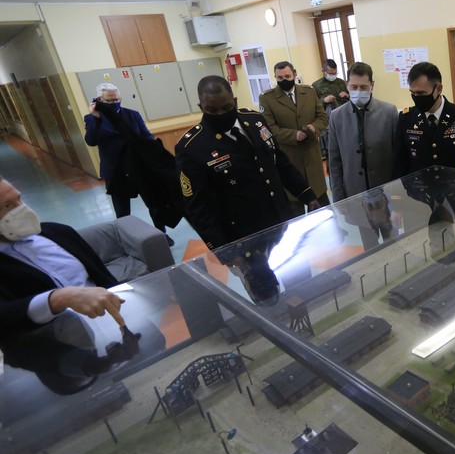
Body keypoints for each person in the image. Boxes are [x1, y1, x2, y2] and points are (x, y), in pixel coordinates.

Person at [175, 76, 320, 253]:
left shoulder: (255, 120)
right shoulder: (192, 147)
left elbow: (280, 163)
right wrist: (225, 252)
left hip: (282, 220)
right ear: (201, 107)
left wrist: (307, 195)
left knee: (300, 267)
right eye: (212, 110)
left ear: (235, 102)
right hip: (244, 239)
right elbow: (199, 209)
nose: (221, 114)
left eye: (227, 108)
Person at [0, 176, 126, 342]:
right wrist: (58, 298)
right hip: (52, 347)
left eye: (19, 199)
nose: (21, 209)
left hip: (115, 323)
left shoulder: (59, 232)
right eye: (7, 206)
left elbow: (105, 278)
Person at [83, 83, 175, 243]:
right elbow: (91, 141)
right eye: (109, 101)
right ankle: (126, 239)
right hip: (116, 169)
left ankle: (162, 234)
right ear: (98, 100)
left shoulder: (132, 115)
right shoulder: (92, 118)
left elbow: (147, 136)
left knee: (155, 204)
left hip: (139, 166)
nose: (114, 103)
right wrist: (97, 118)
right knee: (122, 210)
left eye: (117, 99)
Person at [327, 61, 401, 249]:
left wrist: (399, 195)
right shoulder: (337, 116)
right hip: (355, 195)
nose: (358, 91)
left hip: (386, 194)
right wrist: (339, 197)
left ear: (372, 85)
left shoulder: (389, 112)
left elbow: (399, 157)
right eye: (354, 87)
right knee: (370, 247)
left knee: (393, 243)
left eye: (363, 87)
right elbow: (334, 161)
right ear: (347, 85)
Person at [393, 62, 455, 194]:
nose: (416, 98)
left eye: (421, 93)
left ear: (439, 88)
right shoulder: (406, 118)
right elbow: (399, 163)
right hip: (419, 194)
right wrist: (398, 197)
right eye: (413, 93)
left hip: (453, 193)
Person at [258, 61, 330, 210]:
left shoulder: (309, 92)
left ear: (295, 74)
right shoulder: (267, 98)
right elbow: (268, 129)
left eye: (287, 76)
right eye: (280, 78)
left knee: (324, 212)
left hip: (312, 159)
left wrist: (314, 128)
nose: (284, 80)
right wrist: (293, 135)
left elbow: (322, 117)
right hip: (289, 160)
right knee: (295, 214)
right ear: (275, 77)